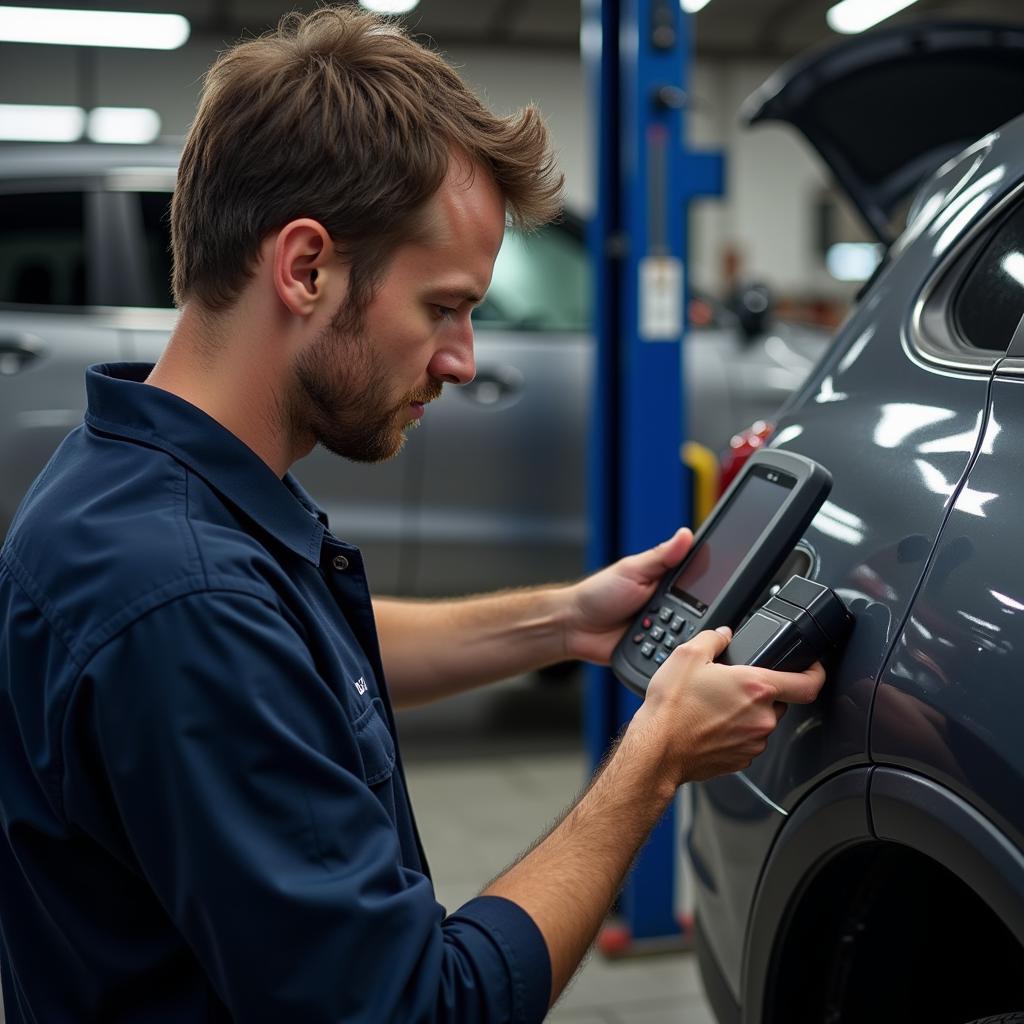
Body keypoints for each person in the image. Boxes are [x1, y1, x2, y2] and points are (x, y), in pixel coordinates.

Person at [0, 7, 825, 1022]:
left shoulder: (137, 478)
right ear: (306, 268)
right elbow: (418, 1008)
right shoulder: (184, 596)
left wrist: (565, 620)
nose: (464, 359)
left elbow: (304, 648)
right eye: (443, 306)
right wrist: (650, 762)